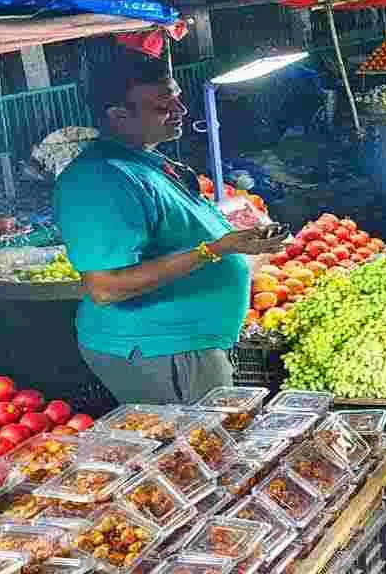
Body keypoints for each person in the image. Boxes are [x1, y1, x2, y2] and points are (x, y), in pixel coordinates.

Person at [53, 52, 287, 405]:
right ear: (118, 116)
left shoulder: (145, 161)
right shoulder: (99, 179)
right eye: (163, 106)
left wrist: (239, 247)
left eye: (177, 97)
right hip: (160, 350)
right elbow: (105, 287)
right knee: (200, 438)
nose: (181, 110)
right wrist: (216, 250)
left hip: (187, 345)